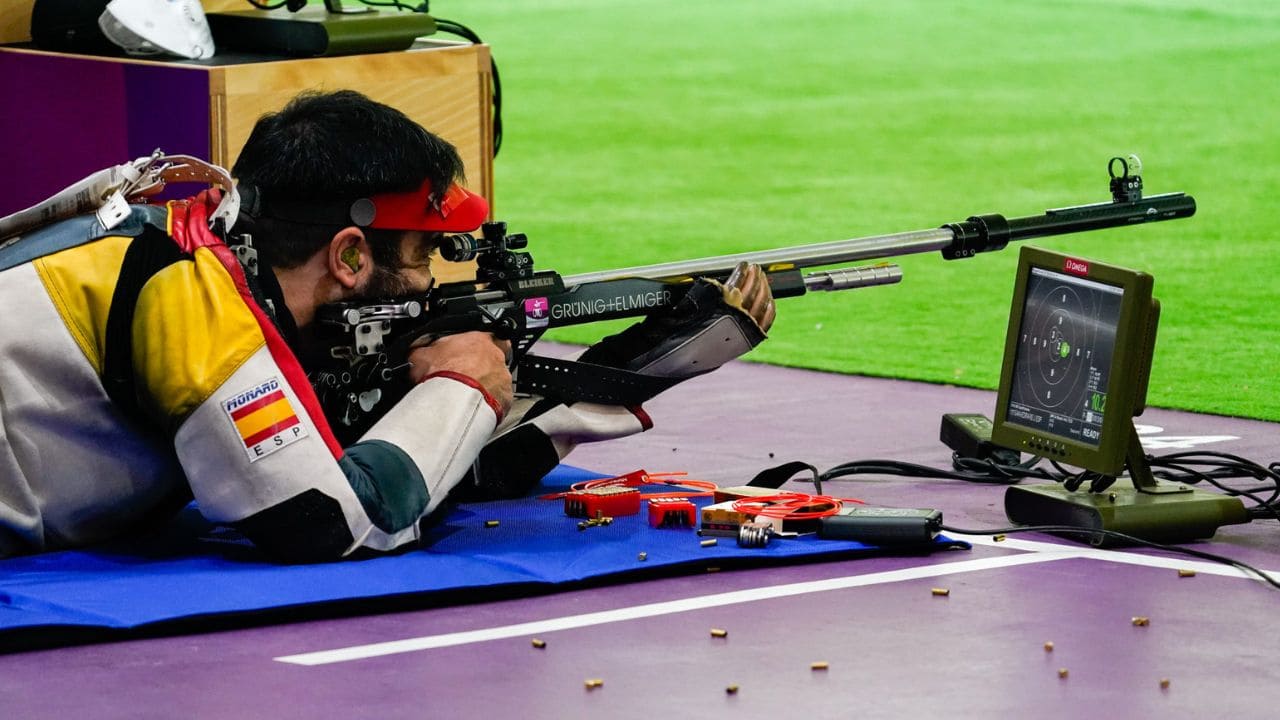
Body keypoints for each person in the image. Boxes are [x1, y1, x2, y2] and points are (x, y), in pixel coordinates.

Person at [0, 90, 774, 562]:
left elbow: (436, 473)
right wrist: (463, 381)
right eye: (423, 252)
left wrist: (649, 360)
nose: (430, 280)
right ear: (347, 256)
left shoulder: (197, 244)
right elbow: (328, 521)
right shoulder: (196, 301)